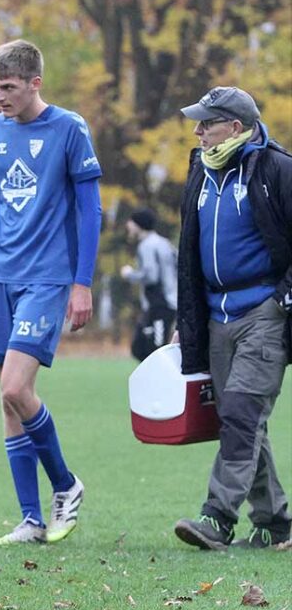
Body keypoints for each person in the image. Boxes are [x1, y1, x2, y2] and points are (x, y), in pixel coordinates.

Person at [0, 40, 101, 545]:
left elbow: (91, 211)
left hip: (47, 277)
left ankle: (66, 485)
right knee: (6, 399)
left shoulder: (69, 128)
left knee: (17, 388)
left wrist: (81, 283)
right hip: (1, 275)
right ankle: (31, 519)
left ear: (35, 83)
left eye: (9, 87)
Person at [172, 86, 292, 550]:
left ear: (236, 128)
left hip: (263, 313)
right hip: (215, 316)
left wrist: (283, 299)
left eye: (208, 123)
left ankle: (217, 517)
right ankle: (276, 523)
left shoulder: (277, 169)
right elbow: (188, 251)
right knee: (240, 420)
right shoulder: (201, 171)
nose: (198, 131)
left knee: (242, 413)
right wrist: (188, 317)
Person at [120, 208, 178, 361]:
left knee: (155, 351)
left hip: (160, 305)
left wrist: (130, 274)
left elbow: (151, 276)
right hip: (167, 303)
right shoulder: (164, 242)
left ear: (139, 224)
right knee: (141, 348)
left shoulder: (146, 246)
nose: (128, 226)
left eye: (131, 222)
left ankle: (163, 383)